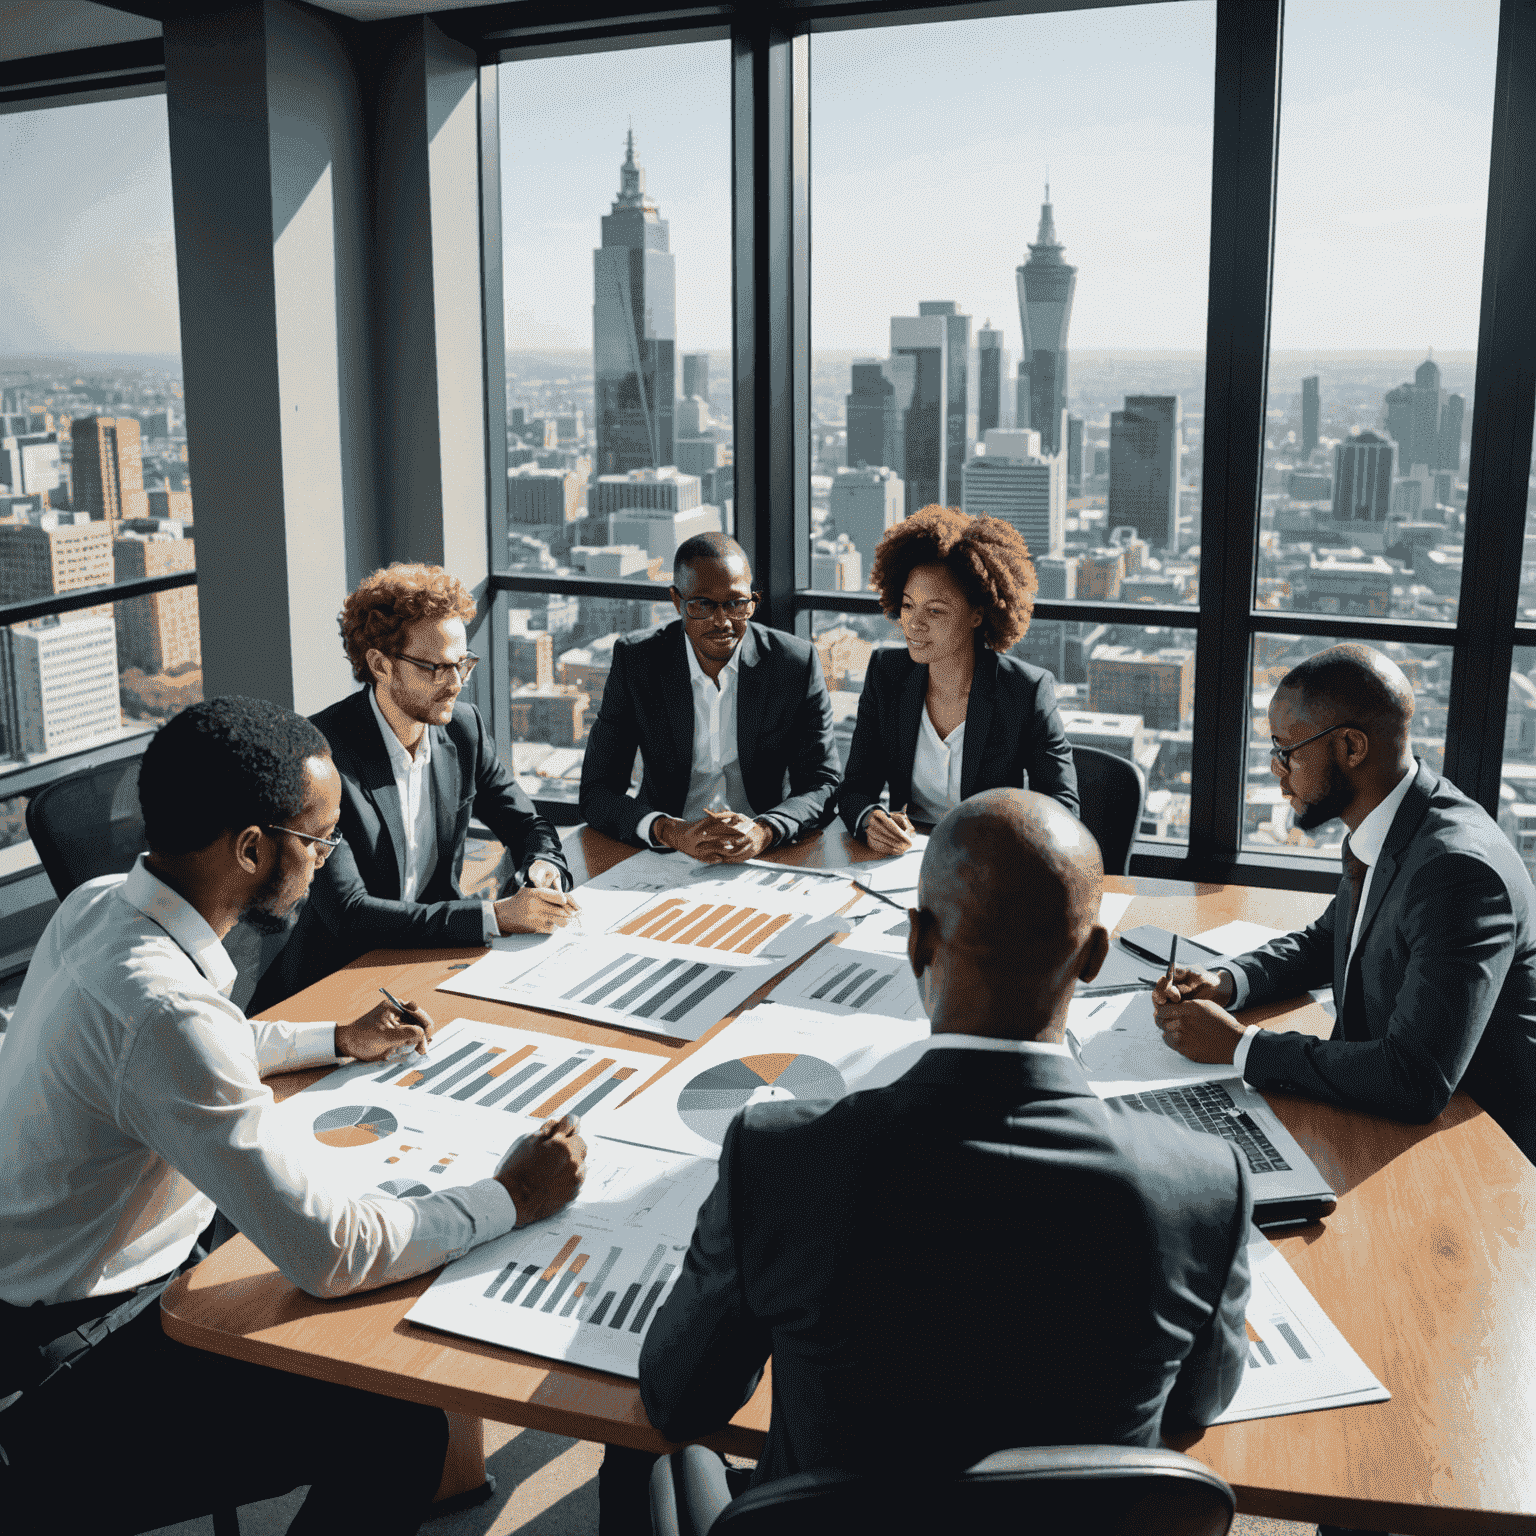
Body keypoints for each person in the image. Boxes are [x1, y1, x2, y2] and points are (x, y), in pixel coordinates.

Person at [0, 697, 586, 1534]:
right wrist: (515, 1197)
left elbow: (172, 1046)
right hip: (79, 1349)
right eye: (318, 840)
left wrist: (334, 1038)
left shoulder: (100, 906)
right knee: (399, 1422)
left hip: (38, 1277)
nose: (325, 862)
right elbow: (333, 1256)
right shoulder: (165, 1014)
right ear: (249, 849)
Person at [639, 787, 1252, 1489]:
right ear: (1094, 957)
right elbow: (1197, 1405)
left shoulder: (780, 1160)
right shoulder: (1204, 1187)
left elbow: (679, 1399)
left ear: (917, 941)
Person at [1153, 643, 1536, 1167]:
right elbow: (1334, 937)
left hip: (1471, 1154)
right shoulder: (1387, 821)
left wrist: (1240, 1047)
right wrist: (1229, 981)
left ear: (1351, 748)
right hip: (1381, 1113)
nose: (1275, 769)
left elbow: (1413, 1079)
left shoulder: (1459, 872)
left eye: (1286, 750)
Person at [251, 563, 574, 1012]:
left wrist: (543, 865)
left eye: (462, 663)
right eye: (434, 668)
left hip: (431, 966)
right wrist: (494, 916)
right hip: (334, 984)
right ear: (380, 665)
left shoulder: (465, 730)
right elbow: (350, 913)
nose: (456, 683)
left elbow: (526, 822)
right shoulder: (320, 757)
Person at [579, 532, 840, 861]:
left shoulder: (793, 664)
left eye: (737, 603)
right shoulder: (638, 661)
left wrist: (766, 828)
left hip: (767, 851)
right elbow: (597, 791)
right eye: (702, 604)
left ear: (752, 599)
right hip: (666, 852)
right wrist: (669, 831)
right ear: (677, 601)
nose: (722, 621)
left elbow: (822, 782)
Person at [837, 505, 1078, 853]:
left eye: (935, 610)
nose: (915, 624)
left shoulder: (1025, 691)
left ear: (978, 614)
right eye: (907, 606)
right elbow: (856, 787)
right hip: (906, 858)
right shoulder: (886, 674)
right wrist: (870, 819)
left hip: (991, 865)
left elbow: (1062, 807)